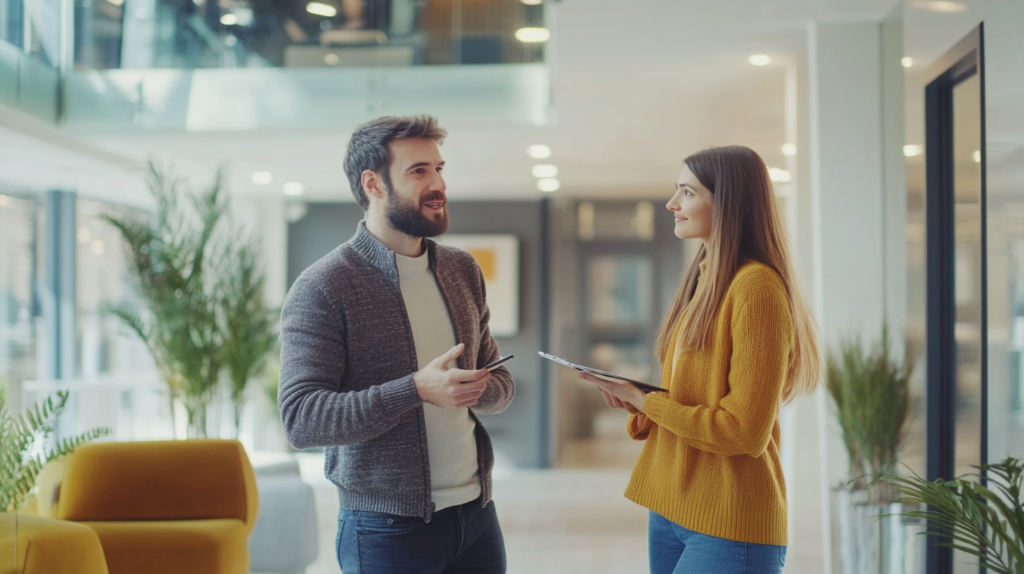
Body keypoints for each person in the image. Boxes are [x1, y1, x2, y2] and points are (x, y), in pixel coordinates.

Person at [278, 115, 515, 573]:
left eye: (439, 168)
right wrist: (417, 389)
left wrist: (480, 389)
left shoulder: (461, 269)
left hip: (478, 515)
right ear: (373, 184)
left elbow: (499, 381)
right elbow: (301, 419)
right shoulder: (324, 286)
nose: (438, 183)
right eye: (419, 171)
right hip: (386, 529)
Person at [579, 145, 821, 574]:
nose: (673, 204)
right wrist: (640, 402)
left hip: (729, 519)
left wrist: (648, 403)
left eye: (687, 193)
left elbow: (745, 431)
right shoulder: (704, 278)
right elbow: (691, 396)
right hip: (672, 504)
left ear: (727, 202)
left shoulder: (756, 288)